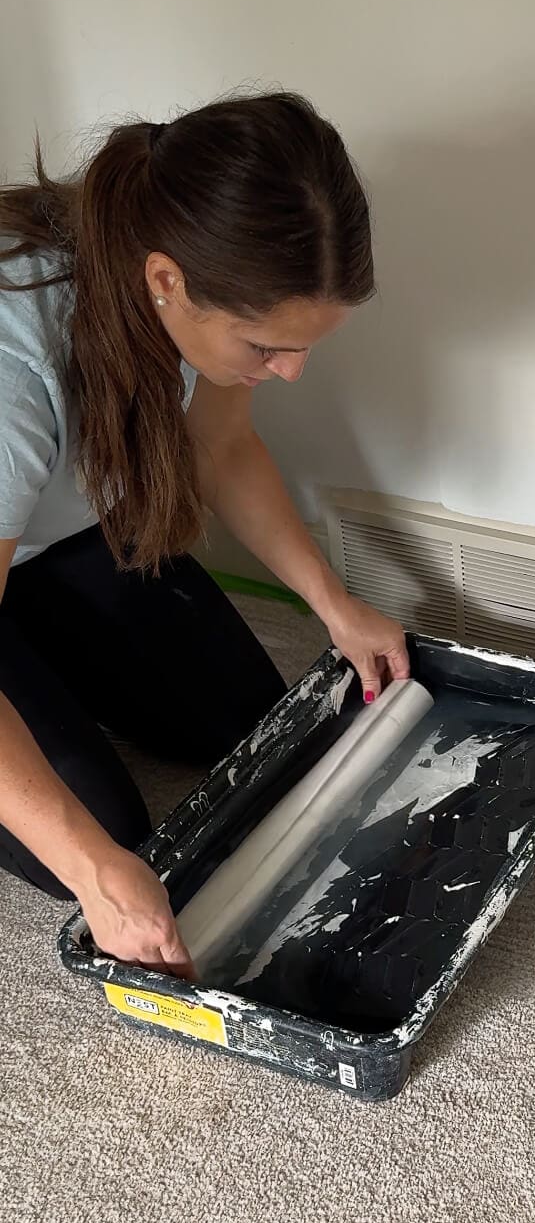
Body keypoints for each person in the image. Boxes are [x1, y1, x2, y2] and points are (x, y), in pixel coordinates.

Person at [0, 92, 409, 978]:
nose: (290, 372)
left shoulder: (188, 267)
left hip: (43, 541)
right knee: (105, 839)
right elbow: (96, 865)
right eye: (267, 347)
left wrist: (334, 607)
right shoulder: (15, 365)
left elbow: (223, 446)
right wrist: (91, 870)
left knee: (252, 729)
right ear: (165, 281)